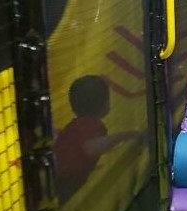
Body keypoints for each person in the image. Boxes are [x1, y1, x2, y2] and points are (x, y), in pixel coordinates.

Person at [54, 75, 142, 204]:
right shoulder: (93, 125)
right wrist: (125, 136)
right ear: (105, 104)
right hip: (67, 181)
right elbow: (90, 148)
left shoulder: (75, 125)